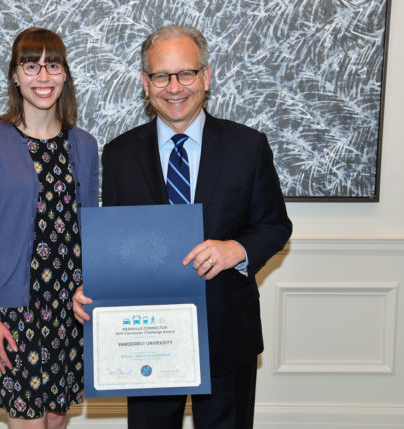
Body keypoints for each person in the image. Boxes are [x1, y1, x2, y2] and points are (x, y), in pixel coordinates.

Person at [73, 25, 292, 429]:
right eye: (161, 76)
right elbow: (117, 241)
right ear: (146, 83)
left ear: (205, 77)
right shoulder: (119, 154)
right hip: (145, 339)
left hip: (227, 331)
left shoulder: (249, 146)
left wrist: (235, 251)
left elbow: (275, 225)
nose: (174, 87)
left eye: (185, 74)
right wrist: (96, 286)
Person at [0, 28, 98, 429]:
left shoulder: (85, 145)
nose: (43, 76)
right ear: (15, 75)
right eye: (31, 65)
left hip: (70, 309)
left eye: (53, 65)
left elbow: (90, 229)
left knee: (55, 421)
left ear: (65, 75)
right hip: (14, 313)